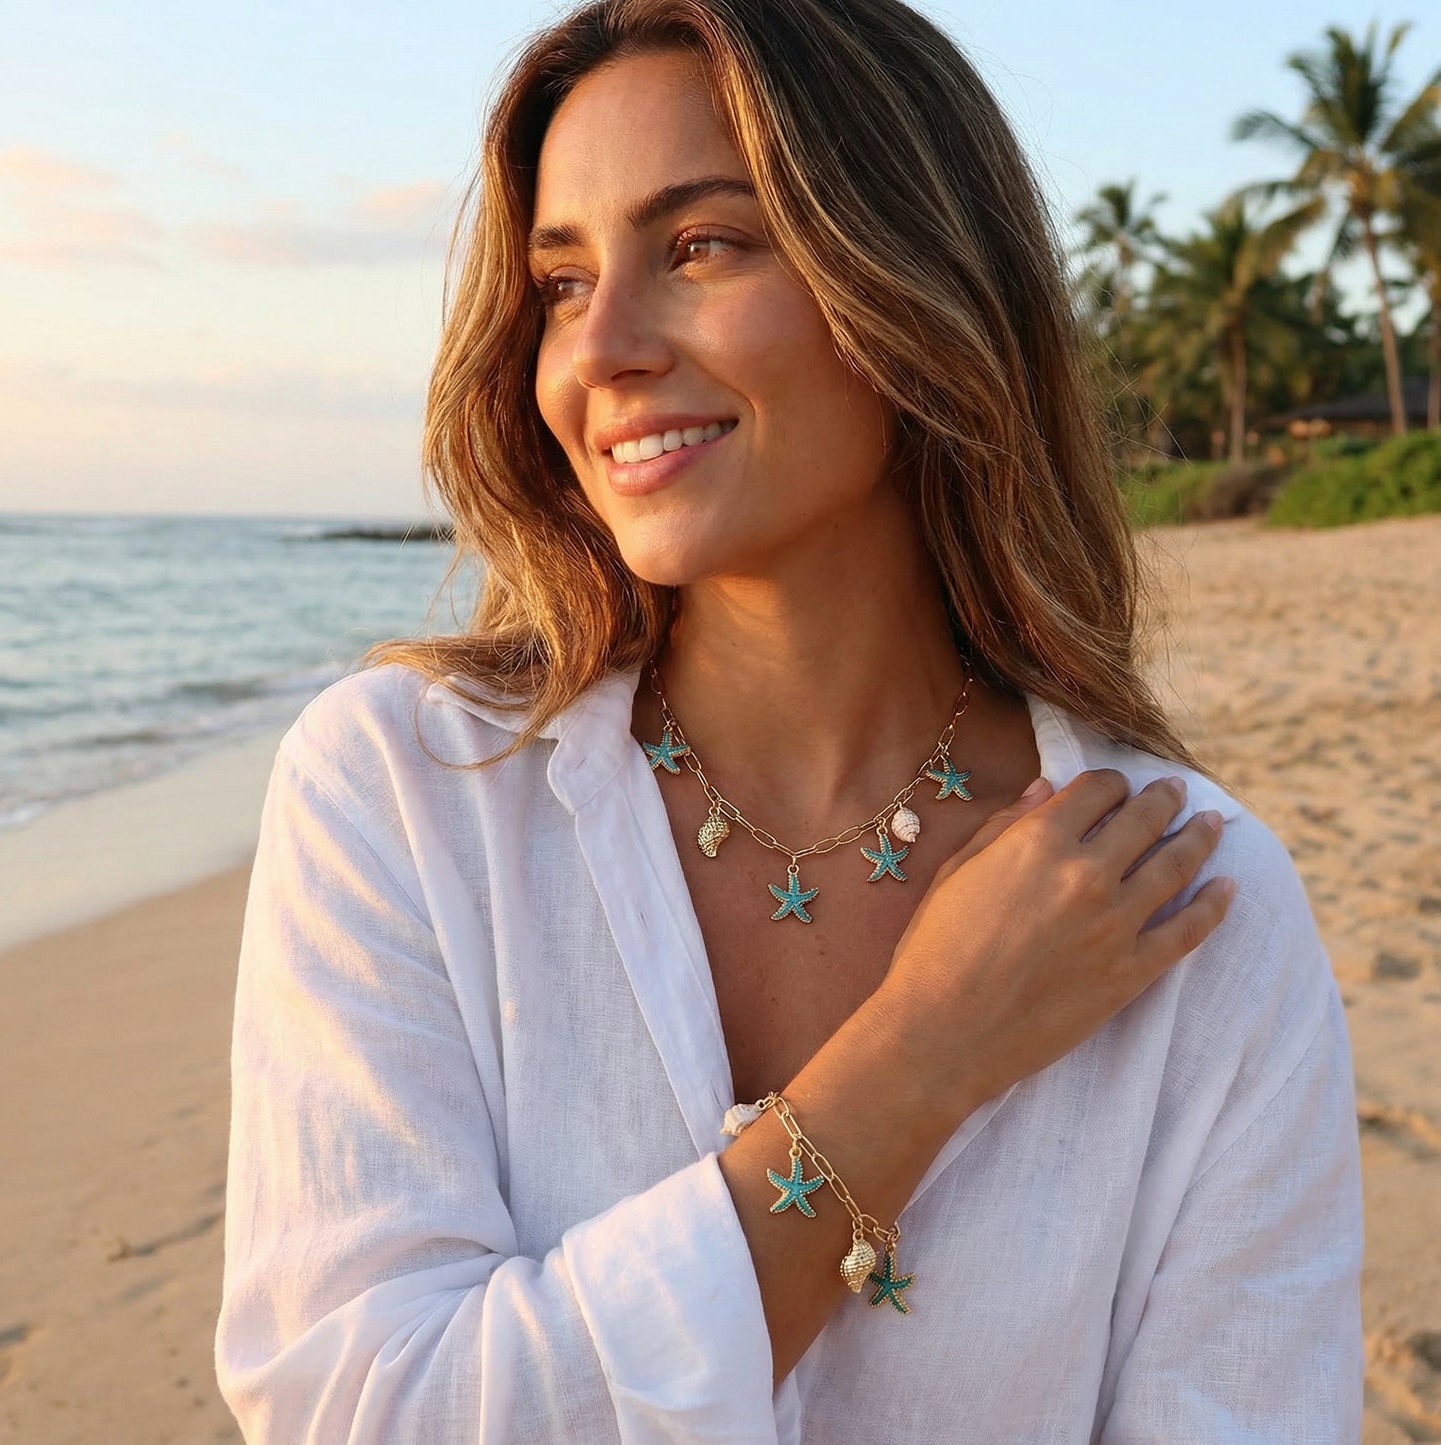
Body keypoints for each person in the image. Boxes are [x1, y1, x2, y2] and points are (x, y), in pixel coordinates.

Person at [215, 1, 1363, 1439]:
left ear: (913, 288)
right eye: (561, 282)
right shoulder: (405, 788)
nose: (600, 351)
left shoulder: (1195, 905)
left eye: (702, 246)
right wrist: (920, 1055)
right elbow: (365, 1408)